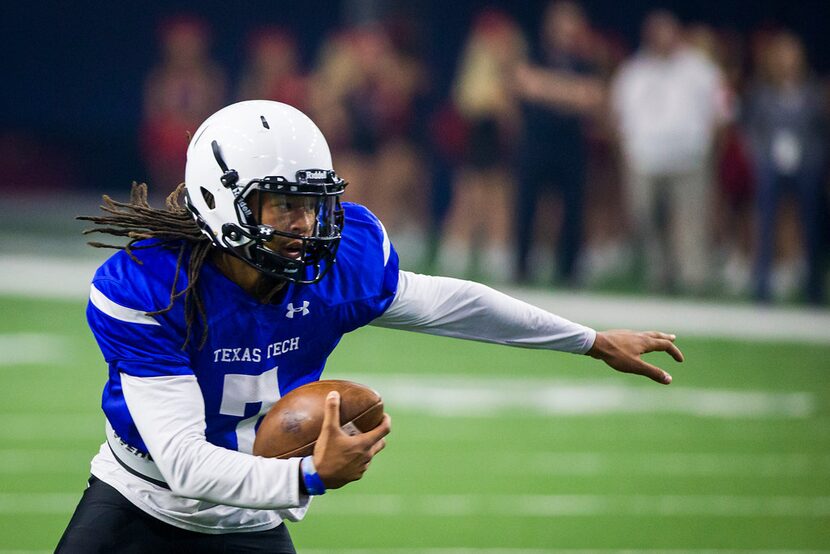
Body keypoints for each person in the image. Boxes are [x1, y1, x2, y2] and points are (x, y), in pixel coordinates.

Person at [57, 100, 684, 553]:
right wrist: (308, 477)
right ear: (224, 201)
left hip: (248, 523)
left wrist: (591, 340)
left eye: (313, 203)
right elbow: (187, 464)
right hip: (141, 504)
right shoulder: (151, 288)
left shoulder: (335, 266)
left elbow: (450, 304)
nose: (305, 224)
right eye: (283, 203)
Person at [611, 10, 728, 294]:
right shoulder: (633, 71)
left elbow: (721, 112)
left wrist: (709, 150)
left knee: (690, 220)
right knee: (645, 218)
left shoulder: (700, 69)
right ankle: (658, 275)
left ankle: (693, 280)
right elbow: (617, 116)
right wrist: (626, 153)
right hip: (645, 159)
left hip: (689, 158)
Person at [512, 0, 605, 286]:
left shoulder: (586, 62)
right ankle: (522, 268)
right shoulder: (534, 54)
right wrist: (570, 94)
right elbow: (524, 83)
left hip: (570, 147)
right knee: (527, 206)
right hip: (536, 143)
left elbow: (593, 97)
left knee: (573, 209)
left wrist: (547, 89)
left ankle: (569, 271)